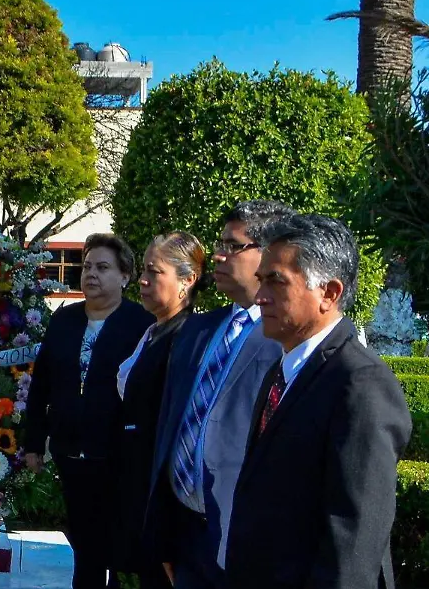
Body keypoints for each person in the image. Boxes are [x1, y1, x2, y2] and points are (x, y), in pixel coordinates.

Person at [225, 215, 411, 589]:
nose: (260, 296)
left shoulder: (361, 384)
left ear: (329, 293)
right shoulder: (283, 369)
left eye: (276, 281)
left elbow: (353, 540)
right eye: (261, 280)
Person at [145, 200, 293, 589]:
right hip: (187, 535)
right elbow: (169, 429)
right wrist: (164, 534)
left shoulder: (286, 342)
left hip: (244, 541)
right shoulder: (197, 331)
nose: (219, 255)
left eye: (233, 246)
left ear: (268, 253)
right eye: (220, 244)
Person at [25, 233, 155, 589]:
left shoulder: (142, 323)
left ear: (124, 276)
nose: (91, 274)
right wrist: (34, 442)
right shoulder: (64, 320)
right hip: (70, 451)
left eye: (102, 267)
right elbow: (42, 384)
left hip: (119, 454)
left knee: (117, 542)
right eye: (87, 267)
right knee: (84, 543)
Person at [113, 232, 206, 589]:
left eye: (154, 272)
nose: (143, 280)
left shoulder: (186, 340)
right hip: (138, 493)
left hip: (164, 501)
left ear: (187, 280)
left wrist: (163, 525)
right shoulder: (153, 332)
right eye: (143, 271)